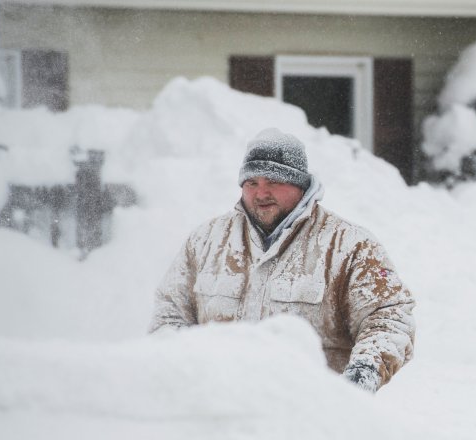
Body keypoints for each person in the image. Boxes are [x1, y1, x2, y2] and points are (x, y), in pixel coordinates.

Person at [149, 128, 415, 392]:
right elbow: (170, 312)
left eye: (273, 181)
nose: (261, 193)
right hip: (218, 411)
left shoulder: (349, 246)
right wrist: (172, 372)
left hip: (308, 415)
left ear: (299, 185)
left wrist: (364, 371)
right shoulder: (206, 241)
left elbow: (388, 318)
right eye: (252, 183)